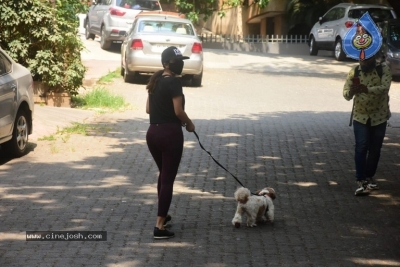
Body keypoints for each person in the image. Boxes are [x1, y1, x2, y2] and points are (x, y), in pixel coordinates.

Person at [146, 46, 195, 239]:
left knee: (163, 176)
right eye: (176, 61)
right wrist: (189, 123)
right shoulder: (174, 82)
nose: (180, 64)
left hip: (153, 134)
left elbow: (148, 109)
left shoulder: (155, 81)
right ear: (167, 63)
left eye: (181, 60)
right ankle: (159, 227)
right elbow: (178, 111)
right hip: (170, 135)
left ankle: (164, 216)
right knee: (167, 180)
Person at [343, 54, 392, 196]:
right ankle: (360, 179)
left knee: (375, 148)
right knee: (361, 145)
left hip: (379, 116)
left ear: (373, 57)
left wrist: (367, 89)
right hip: (360, 115)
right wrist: (351, 91)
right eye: (361, 59)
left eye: (366, 59)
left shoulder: (383, 69)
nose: (363, 62)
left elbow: (384, 88)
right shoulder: (355, 71)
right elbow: (345, 94)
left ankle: (369, 176)